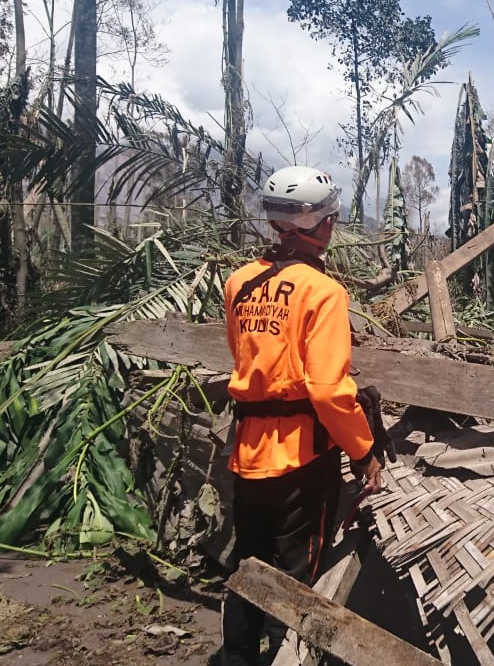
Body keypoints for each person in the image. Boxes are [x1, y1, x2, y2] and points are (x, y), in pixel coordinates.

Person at [220, 165, 383, 666]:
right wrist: (364, 449)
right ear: (326, 224)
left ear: (274, 224)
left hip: (247, 453)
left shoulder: (239, 284)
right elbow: (329, 389)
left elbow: (246, 362)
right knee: (296, 580)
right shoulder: (325, 293)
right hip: (300, 458)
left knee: (249, 567)